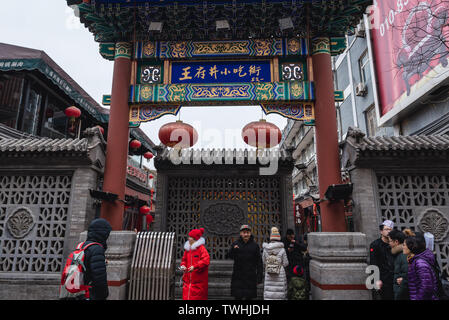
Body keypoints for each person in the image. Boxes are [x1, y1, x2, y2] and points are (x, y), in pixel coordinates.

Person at [228, 225, 263, 300]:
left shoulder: (255, 246)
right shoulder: (236, 244)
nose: (246, 234)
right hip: (238, 277)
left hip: (250, 277)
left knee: (249, 297)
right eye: (244, 232)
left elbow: (259, 262)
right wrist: (233, 250)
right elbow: (229, 256)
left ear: (250, 233)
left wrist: (259, 276)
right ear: (241, 233)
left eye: (248, 232)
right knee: (238, 297)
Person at [83, 218, 112, 300]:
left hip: (79, 292)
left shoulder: (82, 246)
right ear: (103, 234)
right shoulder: (97, 249)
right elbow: (99, 278)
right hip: (90, 294)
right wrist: (104, 294)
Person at [403, 235, 439, 300]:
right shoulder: (415, 260)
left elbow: (426, 287)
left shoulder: (420, 263)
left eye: (404, 245)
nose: (402, 247)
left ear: (411, 247)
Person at [180, 227, 210, 300]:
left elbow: (206, 260)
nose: (188, 238)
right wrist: (183, 265)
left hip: (198, 281)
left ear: (194, 239)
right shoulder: (188, 249)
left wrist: (195, 266)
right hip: (188, 281)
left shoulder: (201, 249)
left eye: (190, 237)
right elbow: (184, 260)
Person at [369, 220, 395, 300]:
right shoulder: (375, 245)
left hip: (395, 278)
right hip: (383, 278)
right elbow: (373, 263)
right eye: (386, 229)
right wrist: (376, 279)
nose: (388, 231)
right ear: (381, 231)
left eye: (390, 229)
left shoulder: (395, 243)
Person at [262, 227, 289, 300]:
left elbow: (264, 262)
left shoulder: (265, 249)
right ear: (278, 238)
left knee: (269, 294)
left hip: (269, 273)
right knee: (280, 294)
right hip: (280, 274)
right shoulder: (282, 249)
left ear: (271, 238)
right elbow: (286, 263)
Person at [388, 229, 409, 300]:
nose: (389, 243)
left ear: (396, 241)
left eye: (390, 241)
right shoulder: (397, 254)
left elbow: (405, 276)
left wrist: (398, 295)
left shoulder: (403, 255)